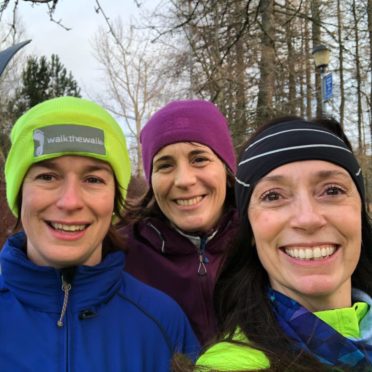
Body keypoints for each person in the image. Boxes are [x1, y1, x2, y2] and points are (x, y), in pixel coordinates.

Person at [0, 96, 199, 371]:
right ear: (19, 193)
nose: (70, 201)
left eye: (93, 179)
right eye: (47, 176)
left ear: (116, 199)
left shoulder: (163, 322)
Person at [194, 116, 372, 371]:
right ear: (251, 232)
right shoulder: (227, 365)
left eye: (332, 190)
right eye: (273, 195)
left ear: (359, 214)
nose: (308, 219)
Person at [120, 99, 239, 345]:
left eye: (199, 159)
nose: (184, 180)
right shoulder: (119, 254)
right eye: (165, 165)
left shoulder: (262, 242)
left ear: (226, 169)